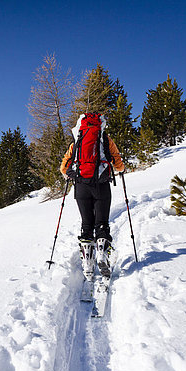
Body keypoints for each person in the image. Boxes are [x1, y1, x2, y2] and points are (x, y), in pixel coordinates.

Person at [59, 113, 125, 280]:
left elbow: (64, 167)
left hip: (81, 188)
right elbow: (117, 162)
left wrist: (73, 175)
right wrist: (121, 169)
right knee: (101, 223)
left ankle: (88, 264)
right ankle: (102, 254)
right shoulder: (104, 138)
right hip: (101, 186)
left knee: (86, 224)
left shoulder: (77, 141)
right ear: (101, 124)